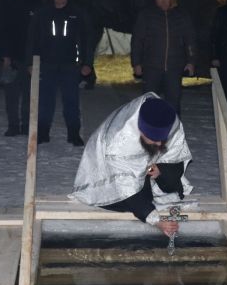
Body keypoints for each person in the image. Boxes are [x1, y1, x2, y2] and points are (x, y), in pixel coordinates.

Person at [71, 94, 192, 237]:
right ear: (141, 131)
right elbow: (126, 188)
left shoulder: (169, 120)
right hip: (107, 167)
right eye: (154, 139)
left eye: (162, 139)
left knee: (171, 178)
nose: (160, 144)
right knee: (133, 201)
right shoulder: (118, 142)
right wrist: (157, 221)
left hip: (142, 162)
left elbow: (173, 153)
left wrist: (161, 169)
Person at [26, 0, 91, 145]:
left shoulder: (78, 13)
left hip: (70, 65)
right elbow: (32, 39)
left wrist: (87, 63)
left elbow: (86, 39)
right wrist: (30, 62)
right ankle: (42, 133)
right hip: (46, 65)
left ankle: (74, 133)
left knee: (71, 101)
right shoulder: (42, 13)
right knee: (45, 101)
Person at [131, 0, 196, 115]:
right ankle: (147, 133)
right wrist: (136, 62)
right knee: (149, 101)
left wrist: (191, 61)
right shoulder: (146, 15)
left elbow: (190, 40)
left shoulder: (181, 15)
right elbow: (137, 40)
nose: (163, 1)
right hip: (151, 66)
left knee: (174, 102)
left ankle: (173, 133)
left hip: (174, 67)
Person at [0, 0, 37, 137]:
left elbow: (38, 33)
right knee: (12, 94)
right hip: (11, 56)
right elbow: (1, 31)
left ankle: (27, 125)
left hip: (29, 57)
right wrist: (5, 55)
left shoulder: (35, 3)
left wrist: (36, 57)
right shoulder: (4, 3)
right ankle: (13, 125)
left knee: (29, 93)